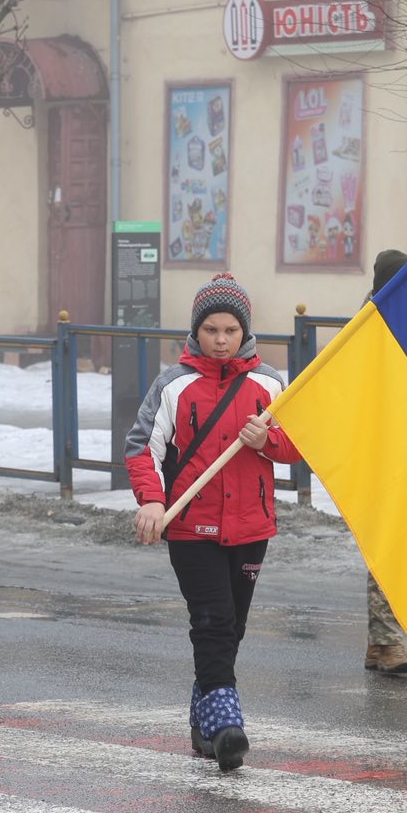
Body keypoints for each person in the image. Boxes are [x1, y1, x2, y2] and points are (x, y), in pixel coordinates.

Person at [123, 272, 303, 772]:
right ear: (195, 332)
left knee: (233, 627)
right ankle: (226, 724)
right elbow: (142, 448)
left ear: (244, 332)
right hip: (189, 526)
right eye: (211, 331)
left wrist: (266, 441)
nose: (221, 341)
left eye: (230, 331)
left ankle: (204, 719)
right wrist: (152, 501)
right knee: (213, 620)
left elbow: (298, 445)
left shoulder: (269, 383)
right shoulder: (174, 384)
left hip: (252, 527)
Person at [363, 249, 407, 677]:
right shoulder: (367, 330)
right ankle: (386, 642)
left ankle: (379, 642)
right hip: (378, 453)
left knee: (406, 543)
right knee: (387, 545)